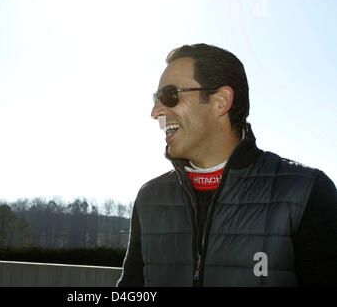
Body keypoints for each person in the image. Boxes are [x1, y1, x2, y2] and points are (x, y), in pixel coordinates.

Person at [117, 43, 337, 287]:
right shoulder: (150, 198)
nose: (155, 111)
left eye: (169, 96)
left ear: (220, 101)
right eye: (155, 98)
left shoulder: (307, 192)